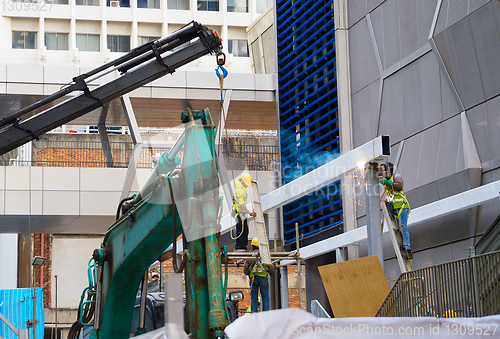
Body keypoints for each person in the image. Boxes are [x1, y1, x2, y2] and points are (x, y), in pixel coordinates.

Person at [379, 162, 412, 259]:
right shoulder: (386, 182)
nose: (382, 172)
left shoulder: (396, 177)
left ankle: (407, 249)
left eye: (383, 169)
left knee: (403, 227)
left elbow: (399, 187)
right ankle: (402, 248)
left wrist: (387, 182)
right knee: (398, 230)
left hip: (402, 206)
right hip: (395, 209)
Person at [243, 238, 274, 312]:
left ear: (253, 246)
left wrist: (249, 272)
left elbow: (245, 270)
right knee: (265, 297)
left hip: (253, 279)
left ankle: (254, 313)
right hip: (263, 279)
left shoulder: (250, 257)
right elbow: (271, 269)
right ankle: (265, 314)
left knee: (254, 297)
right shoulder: (265, 256)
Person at [233, 173, 257, 252]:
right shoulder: (240, 191)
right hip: (239, 213)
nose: (247, 185)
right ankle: (239, 247)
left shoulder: (238, 185)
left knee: (245, 230)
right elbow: (242, 204)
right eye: (247, 184)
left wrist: (245, 178)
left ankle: (243, 246)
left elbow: (237, 180)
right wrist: (250, 213)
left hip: (239, 213)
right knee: (241, 230)